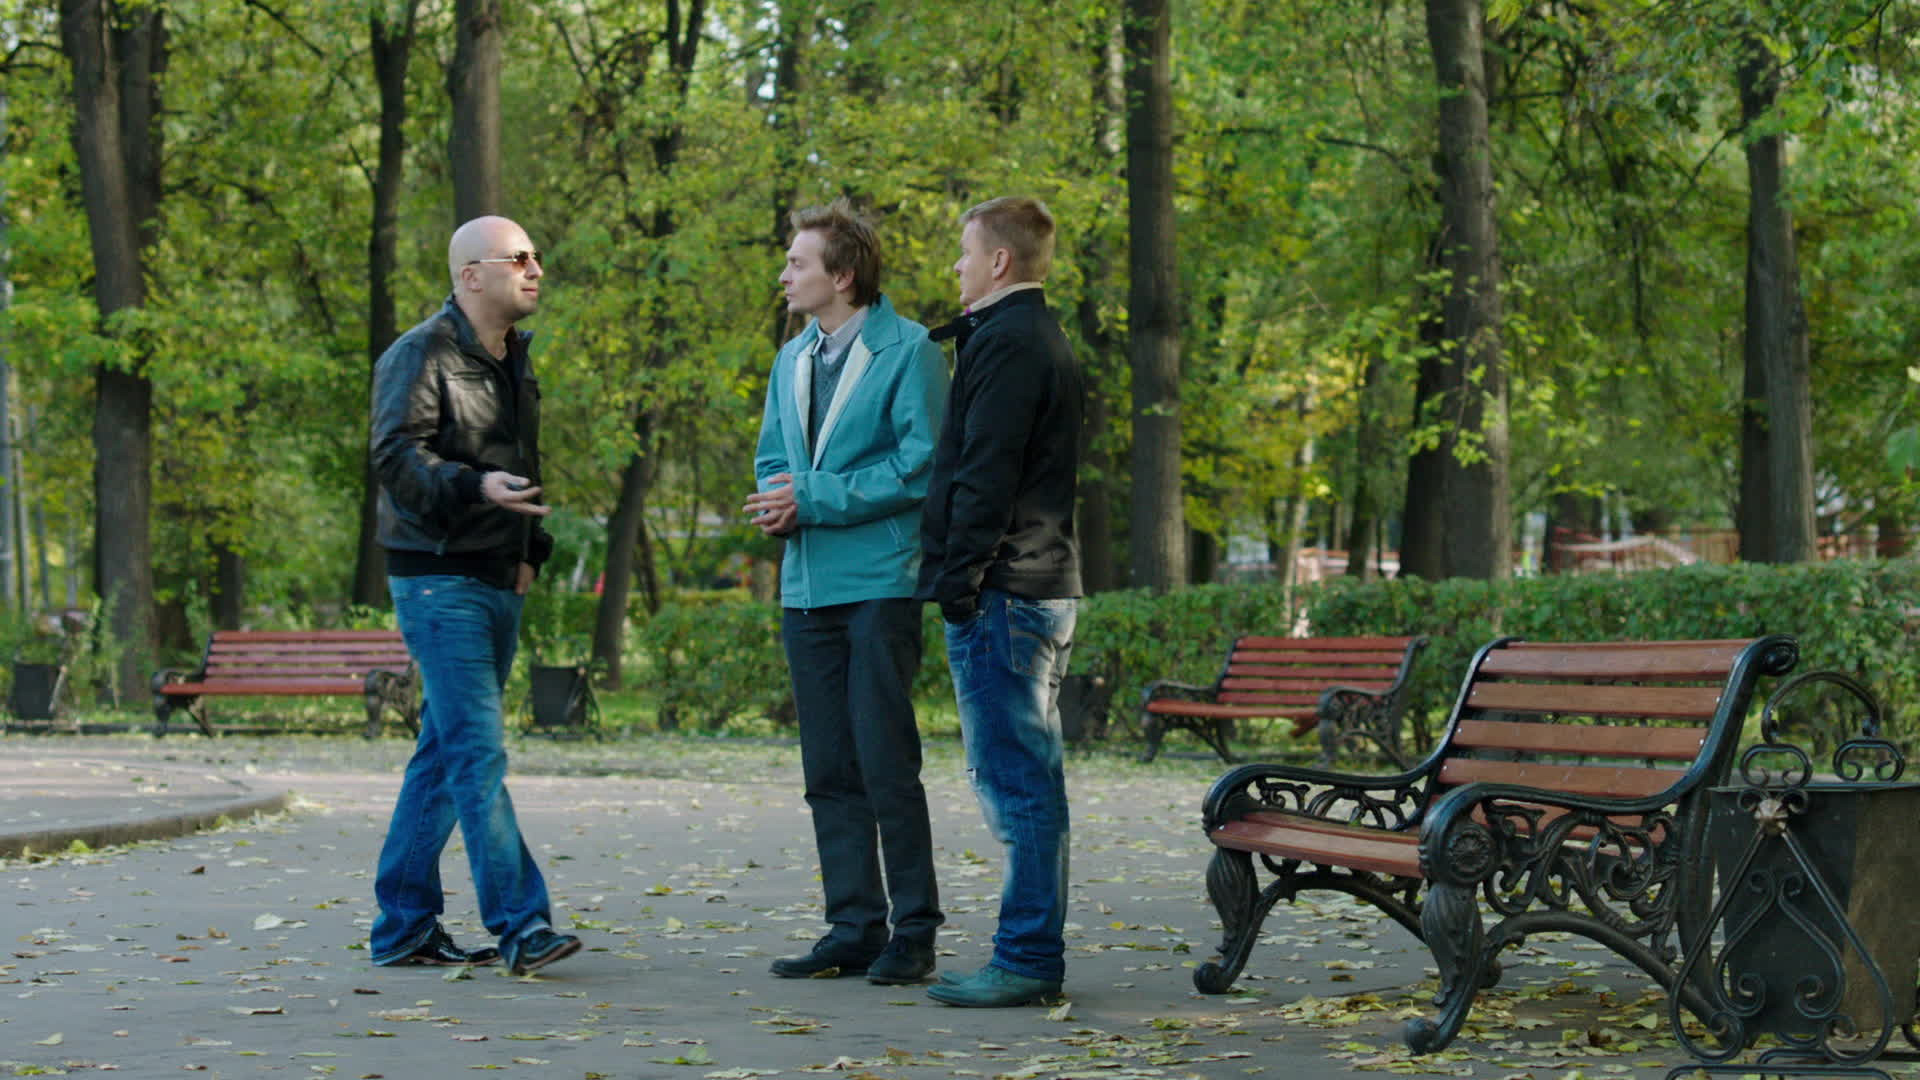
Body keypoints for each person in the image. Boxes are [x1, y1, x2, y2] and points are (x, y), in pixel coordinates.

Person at [366, 215, 582, 976]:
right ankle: (523, 924)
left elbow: (523, 466)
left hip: (498, 577)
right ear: (471, 276)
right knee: (476, 752)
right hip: (437, 577)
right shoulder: (420, 353)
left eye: (536, 256)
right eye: (519, 258)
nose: (536, 269)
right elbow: (396, 456)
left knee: (444, 753)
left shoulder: (514, 358)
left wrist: (530, 554)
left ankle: (402, 925)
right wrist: (472, 486)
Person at [746, 200, 949, 985]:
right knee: (828, 769)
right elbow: (774, 458)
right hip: (805, 588)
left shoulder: (912, 350)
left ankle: (915, 932)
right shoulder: (790, 358)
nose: (784, 275)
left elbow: (920, 467)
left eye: (797, 263)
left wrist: (811, 498)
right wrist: (777, 502)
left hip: (878, 586)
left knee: (885, 764)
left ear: (843, 275)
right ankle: (854, 926)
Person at [917, 197, 1082, 1008]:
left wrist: (958, 584)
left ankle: (1025, 959)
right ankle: (1029, 952)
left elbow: (986, 472)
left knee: (1017, 787)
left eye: (965, 251)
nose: (956, 265)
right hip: (1030, 588)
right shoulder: (1026, 335)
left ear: (999, 262)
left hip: (1005, 593)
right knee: (1030, 781)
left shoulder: (1011, 342)